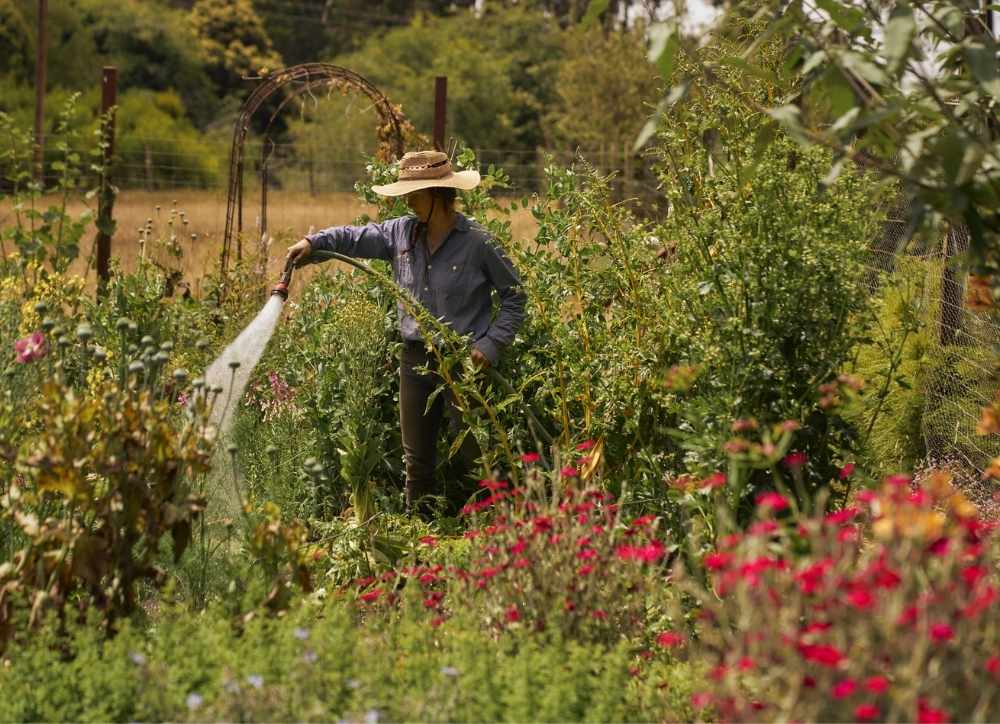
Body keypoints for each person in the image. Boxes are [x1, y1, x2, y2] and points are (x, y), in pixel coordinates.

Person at [285, 150, 527, 517]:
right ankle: (421, 534)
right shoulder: (400, 233)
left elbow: (515, 297)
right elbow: (353, 238)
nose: (408, 201)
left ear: (438, 194)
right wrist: (314, 243)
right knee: (416, 460)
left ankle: (495, 530)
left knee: (475, 453)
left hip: (464, 363)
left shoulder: (479, 242)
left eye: (414, 193)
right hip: (415, 358)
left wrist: (490, 344)